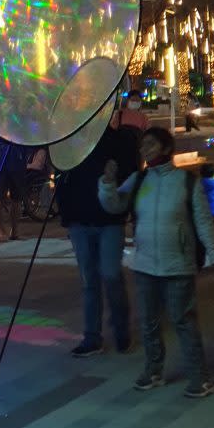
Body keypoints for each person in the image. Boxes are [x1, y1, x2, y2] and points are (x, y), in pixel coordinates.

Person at [99, 126, 214, 398]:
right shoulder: (139, 179)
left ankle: (200, 378)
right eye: (143, 146)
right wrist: (108, 182)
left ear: (167, 148)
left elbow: (203, 222)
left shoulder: (186, 182)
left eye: (151, 145)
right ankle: (153, 371)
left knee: (184, 321)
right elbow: (114, 205)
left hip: (178, 263)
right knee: (148, 322)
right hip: (145, 264)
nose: (146, 150)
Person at [59, 125, 140, 357]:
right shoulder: (70, 141)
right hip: (79, 221)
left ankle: (121, 329)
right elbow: (63, 178)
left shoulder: (118, 140)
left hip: (110, 222)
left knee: (111, 275)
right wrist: (67, 214)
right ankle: (92, 337)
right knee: (89, 280)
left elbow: (130, 177)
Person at [0, 129, 28, 240]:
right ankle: (1, 231)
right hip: (1, 162)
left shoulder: (18, 118)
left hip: (17, 160)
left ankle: (14, 230)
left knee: (16, 198)